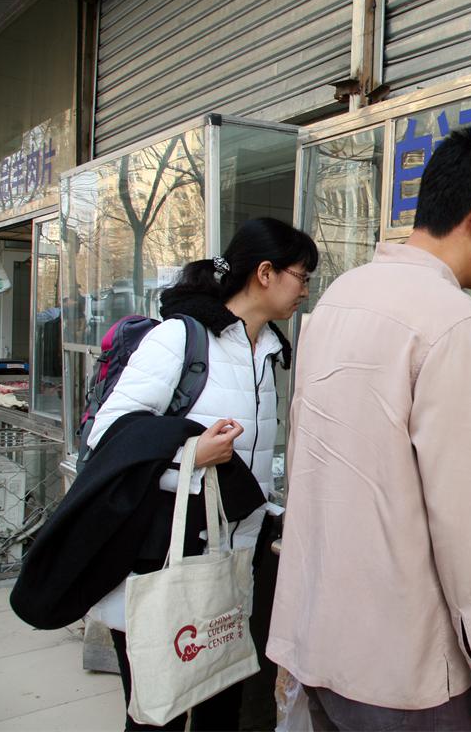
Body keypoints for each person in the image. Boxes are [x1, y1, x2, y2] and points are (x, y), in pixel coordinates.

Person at [268, 128, 471, 731]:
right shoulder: (452, 321)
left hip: (318, 640)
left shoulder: (339, 297)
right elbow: (463, 510)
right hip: (402, 667)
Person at [85, 217, 317, 731]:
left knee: (221, 708)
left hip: (232, 564)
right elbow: (109, 436)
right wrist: (191, 453)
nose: (305, 290)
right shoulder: (180, 339)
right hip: (165, 558)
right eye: (301, 277)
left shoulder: (269, 352)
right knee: (158, 714)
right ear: (265, 273)